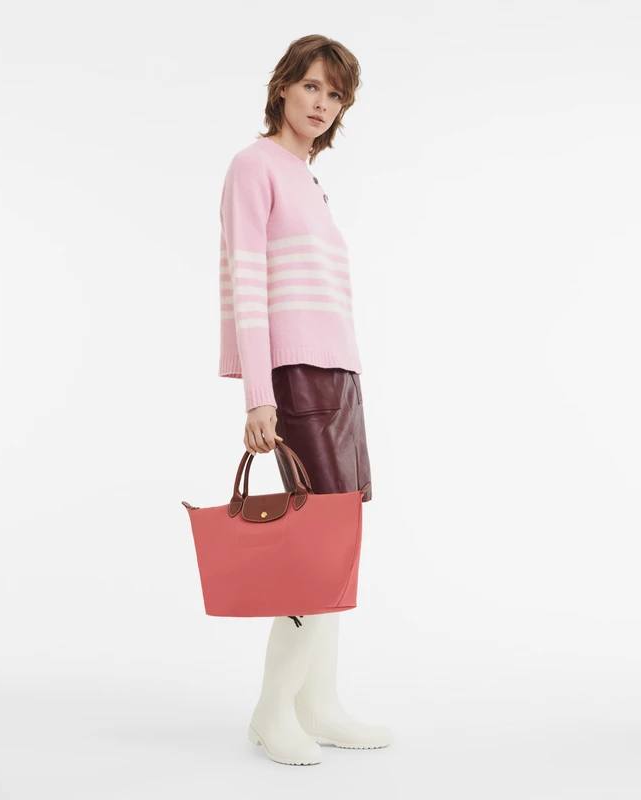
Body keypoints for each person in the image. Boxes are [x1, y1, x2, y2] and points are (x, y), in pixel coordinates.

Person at [217, 34, 392, 766]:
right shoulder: (255, 165)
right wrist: (259, 396)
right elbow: (247, 284)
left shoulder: (307, 179)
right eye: (312, 86)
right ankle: (272, 711)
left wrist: (348, 378)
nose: (322, 103)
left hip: (338, 375)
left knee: (338, 543)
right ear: (283, 87)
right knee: (316, 548)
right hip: (295, 376)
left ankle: (317, 704)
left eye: (335, 94)